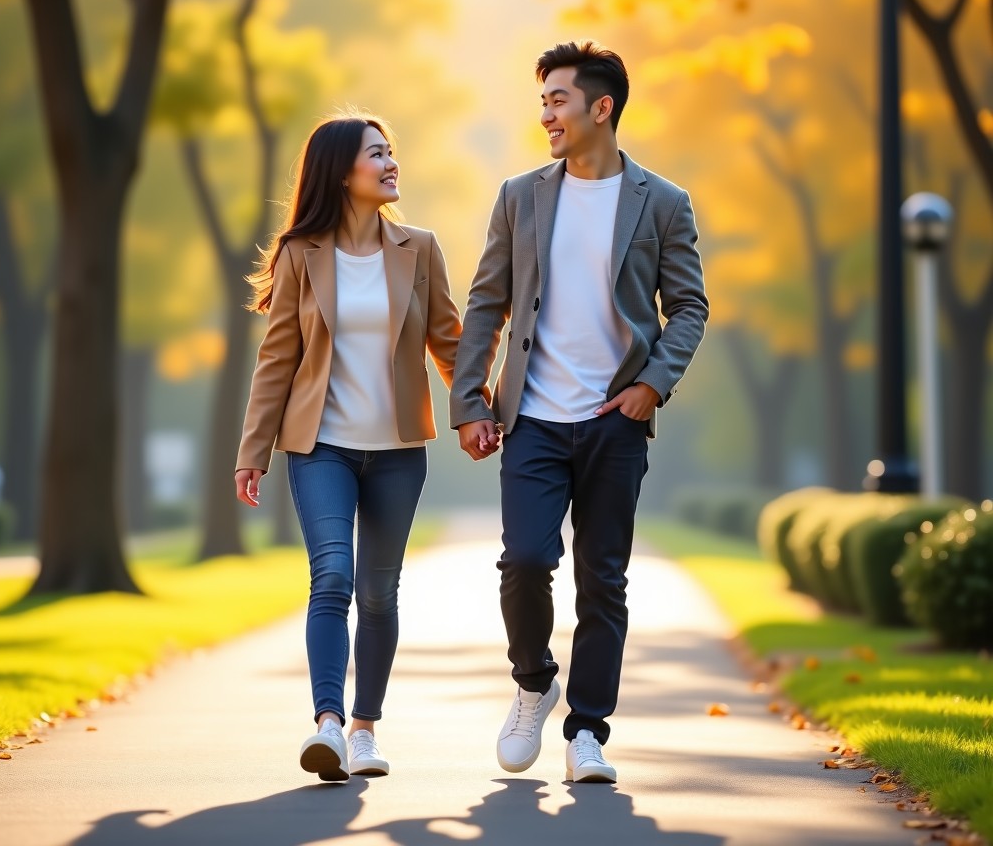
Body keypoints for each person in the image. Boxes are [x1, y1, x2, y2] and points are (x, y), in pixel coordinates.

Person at [450, 40, 709, 783]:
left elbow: (688, 307)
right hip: (531, 416)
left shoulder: (662, 203)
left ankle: (588, 731)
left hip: (614, 423)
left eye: (557, 101)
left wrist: (652, 384)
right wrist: (471, 401)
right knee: (526, 559)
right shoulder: (520, 195)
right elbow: (487, 301)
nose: (546, 116)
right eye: (542, 103)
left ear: (603, 108)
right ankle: (533, 682)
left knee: (604, 579)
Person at [235, 113, 461, 782]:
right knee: (331, 576)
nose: (392, 163)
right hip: (320, 448)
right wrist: (254, 450)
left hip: (396, 451)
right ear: (341, 172)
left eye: (392, 152)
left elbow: (448, 341)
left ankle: (365, 729)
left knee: (380, 592)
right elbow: (277, 359)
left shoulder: (419, 248)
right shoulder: (302, 255)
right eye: (376, 154)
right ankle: (328, 725)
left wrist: (480, 411)